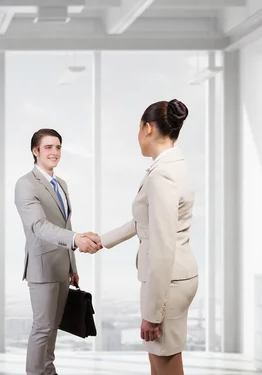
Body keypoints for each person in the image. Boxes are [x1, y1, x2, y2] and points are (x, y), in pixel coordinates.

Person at [99, 99, 199, 375]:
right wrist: (103, 240)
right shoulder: (174, 166)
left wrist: (152, 316)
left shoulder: (162, 175)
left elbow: (163, 247)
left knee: (164, 365)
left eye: (138, 130)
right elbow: (144, 221)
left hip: (168, 282)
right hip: (178, 277)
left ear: (147, 128)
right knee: (160, 363)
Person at [14, 128, 102, 375]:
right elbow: (39, 226)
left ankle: (48, 372)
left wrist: (73, 267)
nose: (55, 152)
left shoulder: (60, 184)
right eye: (48, 147)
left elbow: (66, 224)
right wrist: (75, 240)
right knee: (42, 328)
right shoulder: (25, 184)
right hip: (42, 268)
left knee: (53, 328)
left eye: (58, 147)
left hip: (62, 268)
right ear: (35, 151)